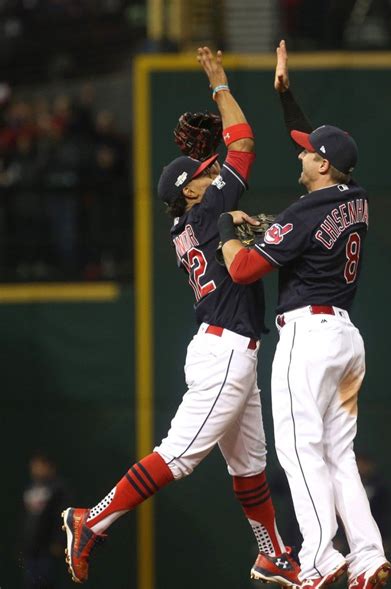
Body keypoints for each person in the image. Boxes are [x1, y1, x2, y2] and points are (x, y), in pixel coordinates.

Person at [61, 47, 300, 587]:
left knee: (250, 467)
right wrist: (219, 84)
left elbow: (218, 175)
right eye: (204, 173)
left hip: (227, 345)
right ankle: (91, 520)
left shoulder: (187, 223)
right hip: (225, 352)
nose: (212, 170)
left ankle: (274, 553)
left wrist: (221, 200)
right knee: (180, 455)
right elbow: (242, 143)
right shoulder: (209, 208)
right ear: (191, 189)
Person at [215, 40, 391, 589]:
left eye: (306, 152)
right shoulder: (353, 196)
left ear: (321, 165)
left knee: (297, 450)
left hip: (308, 338)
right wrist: (288, 100)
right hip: (346, 340)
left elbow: (243, 270)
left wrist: (225, 225)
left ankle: (318, 557)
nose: (298, 154)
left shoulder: (306, 210)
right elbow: (317, 150)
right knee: (339, 455)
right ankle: (366, 556)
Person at [20, 452, 68, 589]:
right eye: (33, 465)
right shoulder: (30, 488)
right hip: (30, 549)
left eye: (39, 465)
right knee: (31, 583)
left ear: (48, 466)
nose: (35, 469)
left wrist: (58, 541)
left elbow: (61, 516)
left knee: (47, 582)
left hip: (48, 549)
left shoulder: (58, 489)